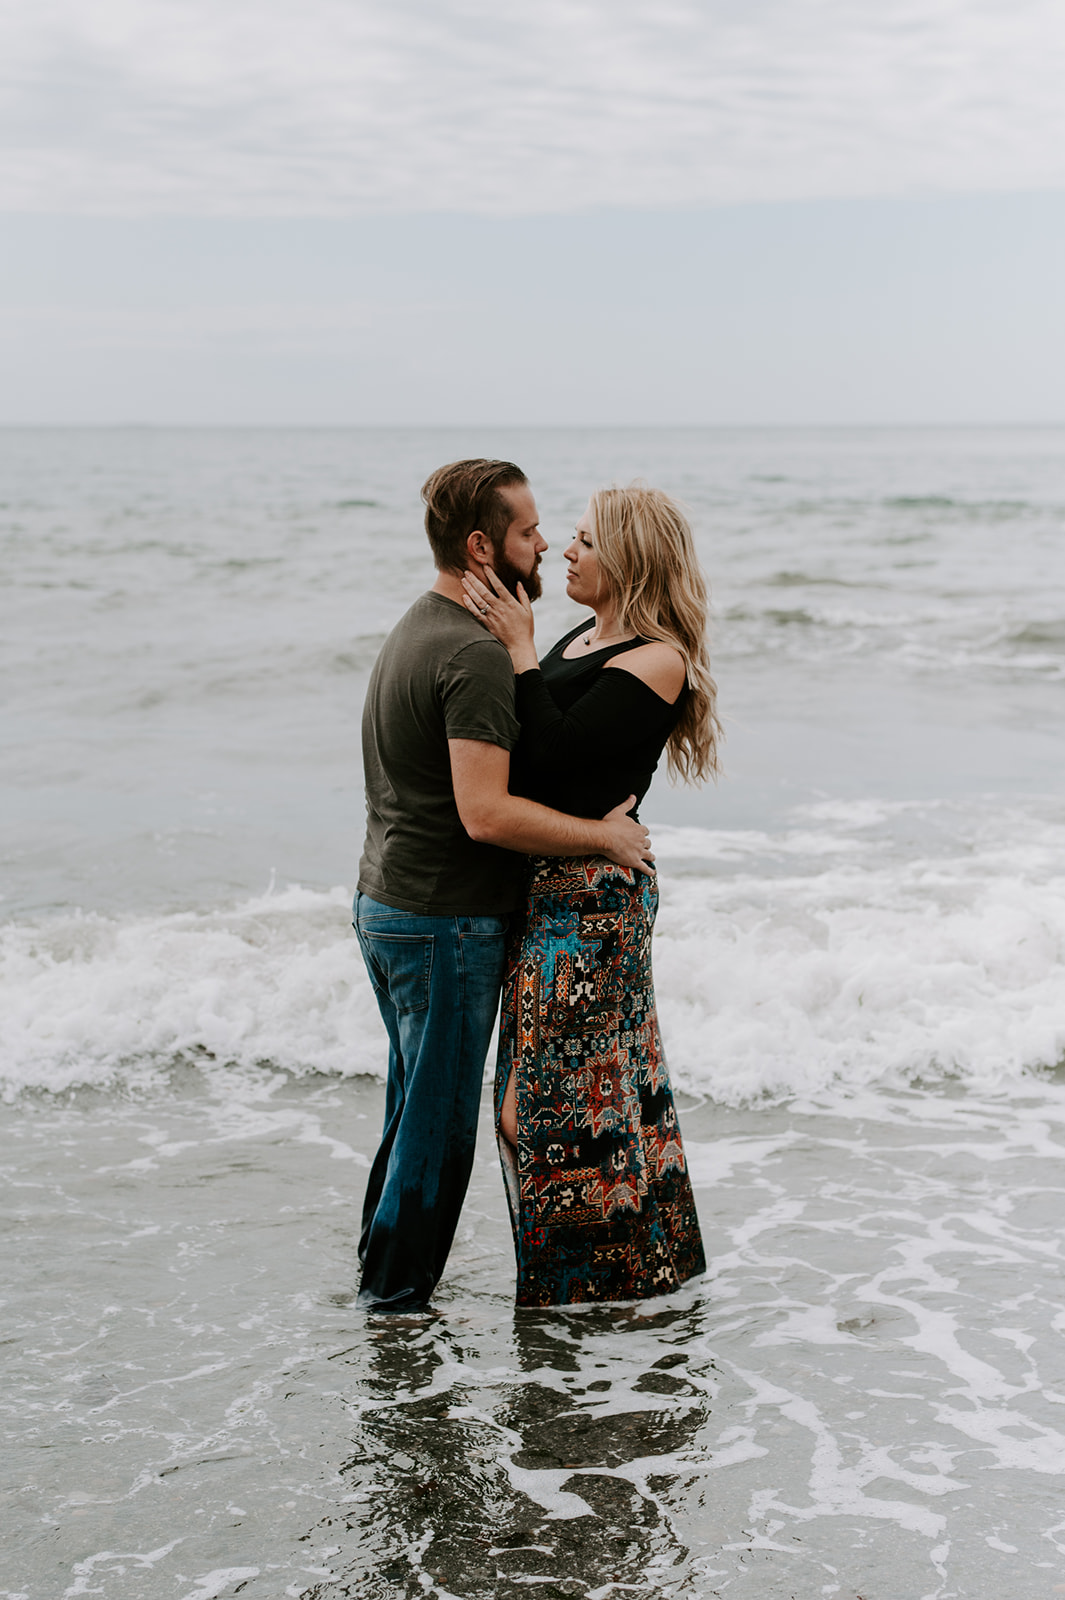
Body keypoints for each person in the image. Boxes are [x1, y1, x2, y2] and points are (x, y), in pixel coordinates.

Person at [354, 459, 654, 1314]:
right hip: (443, 921)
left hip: (388, 904)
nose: (546, 542)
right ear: (483, 546)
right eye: (528, 531)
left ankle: (381, 1287)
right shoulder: (474, 654)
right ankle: (395, 1310)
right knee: (438, 1133)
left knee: (410, 1113)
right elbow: (486, 815)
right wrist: (603, 832)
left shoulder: (417, 625)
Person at [460, 483, 721, 1307]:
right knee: (586, 1100)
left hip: (595, 905)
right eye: (567, 537)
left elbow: (559, 766)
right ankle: (621, 1290)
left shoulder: (657, 656)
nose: (565, 553)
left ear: (629, 559)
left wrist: (521, 654)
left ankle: (595, 1289)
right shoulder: (585, 636)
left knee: (541, 1110)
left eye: (584, 540)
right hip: (552, 890)